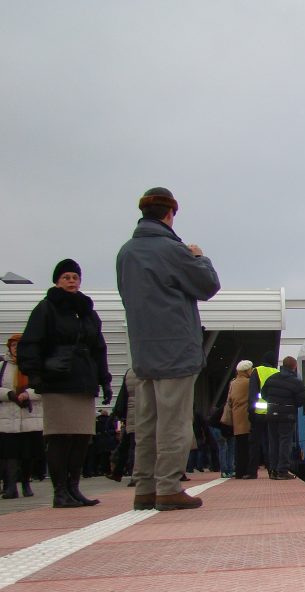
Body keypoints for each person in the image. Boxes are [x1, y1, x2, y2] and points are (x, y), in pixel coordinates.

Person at [116, 187, 220, 511]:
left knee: (146, 423)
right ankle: (168, 488)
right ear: (170, 213)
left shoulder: (126, 252)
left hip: (143, 352)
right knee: (174, 423)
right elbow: (208, 286)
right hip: (175, 349)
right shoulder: (173, 250)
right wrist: (199, 257)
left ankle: (144, 487)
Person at [18, 259, 113, 508]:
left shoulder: (88, 312)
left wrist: (104, 380)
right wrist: (35, 374)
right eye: (66, 277)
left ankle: (74, 488)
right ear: (57, 281)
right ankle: (59, 491)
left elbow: (99, 348)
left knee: (82, 437)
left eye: (75, 277)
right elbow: (32, 342)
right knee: (60, 436)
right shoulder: (47, 308)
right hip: (58, 379)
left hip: (83, 378)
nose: (72, 281)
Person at [0, 334, 43, 499]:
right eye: (13, 346)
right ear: (9, 348)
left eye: (20, 345)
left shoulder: (33, 366)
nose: (16, 348)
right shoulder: (2, 366)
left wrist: (27, 394)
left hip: (29, 416)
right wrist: (9, 394)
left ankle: (26, 483)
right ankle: (11, 486)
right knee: (9, 453)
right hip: (7, 417)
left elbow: (42, 389)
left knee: (28, 453)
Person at [261, 355, 304, 479]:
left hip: (271, 415)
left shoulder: (271, 379)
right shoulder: (296, 382)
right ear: (294, 367)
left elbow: (264, 394)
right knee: (285, 442)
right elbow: (301, 400)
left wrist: (274, 404)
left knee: (273, 442)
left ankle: (273, 470)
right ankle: (283, 471)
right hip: (287, 416)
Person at [247, 351, 279, 479]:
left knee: (255, 443)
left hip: (258, 413)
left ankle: (252, 472)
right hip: (273, 413)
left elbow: (253, 393)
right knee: (271, 442)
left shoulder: (257, 371)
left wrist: (250, 411)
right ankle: (272, 469)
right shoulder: (277, 372)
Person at [228, 361, 254, 478]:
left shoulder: (233, 383)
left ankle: (239, 471)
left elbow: (229, 400)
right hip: (246, 417)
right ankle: (247, 470)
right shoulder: (249, 382)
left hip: (236, 418)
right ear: (246, 370)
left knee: (239, 446)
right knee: (247, 446)